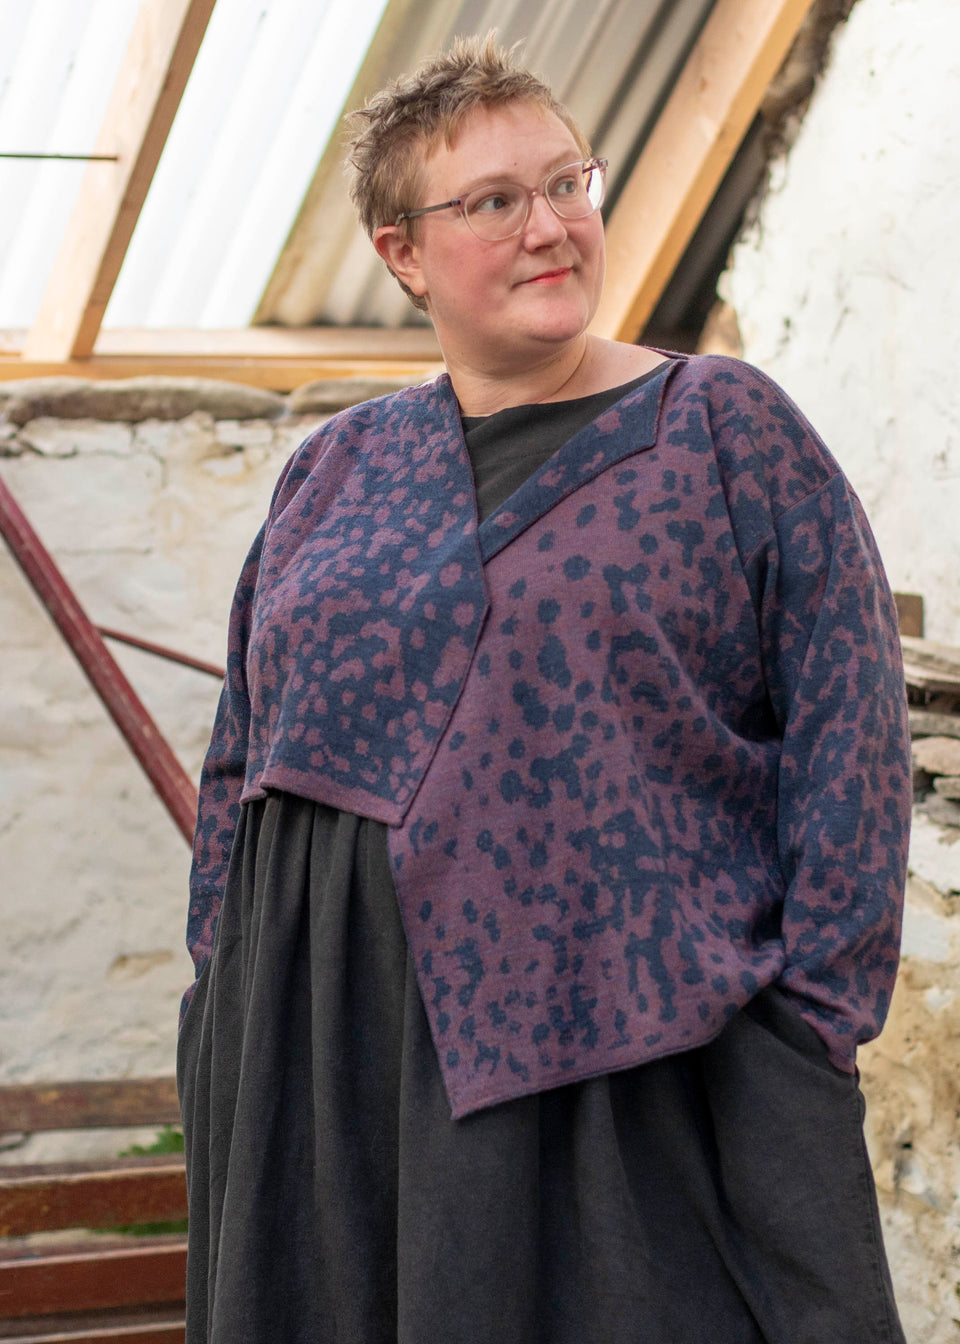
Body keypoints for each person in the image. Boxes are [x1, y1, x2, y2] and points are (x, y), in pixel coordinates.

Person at [177, 34, 912, 1344]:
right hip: (323, 1071)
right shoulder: (334, 471)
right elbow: (243, 746)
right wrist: (223, 977)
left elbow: (851, 737)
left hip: (616, 1065)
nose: (552, 227)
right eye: (495, 202)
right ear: (403, 253)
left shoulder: (727, 431)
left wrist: (812, 1023)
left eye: (568, 182)